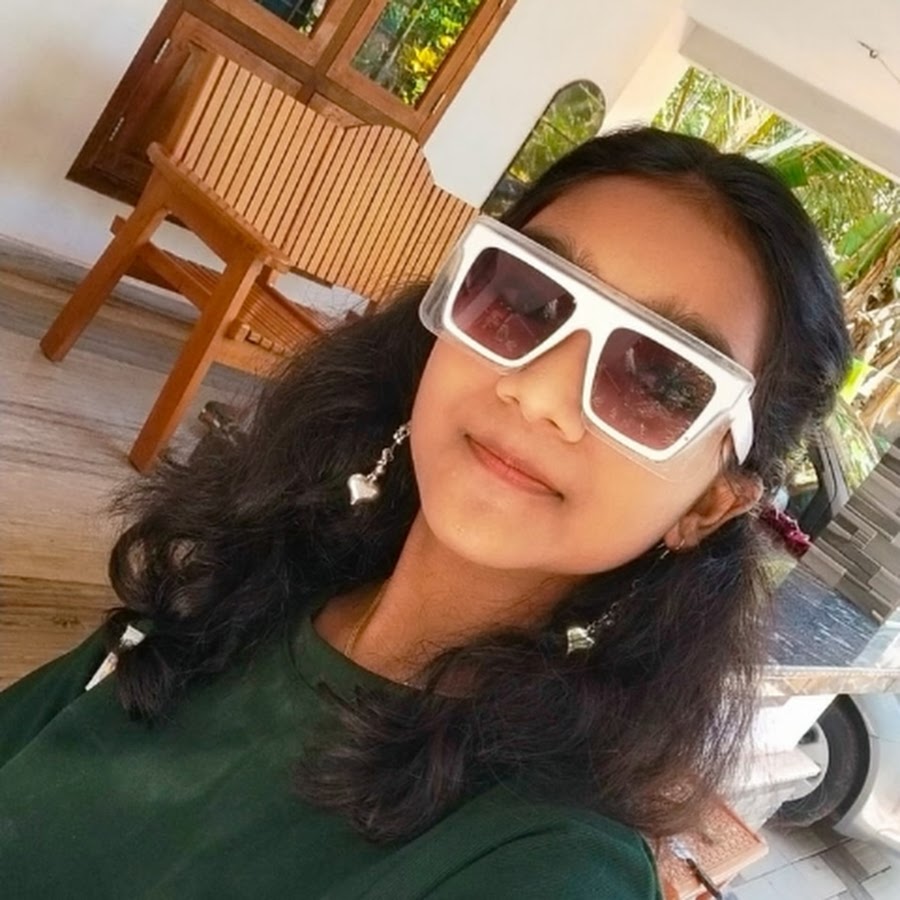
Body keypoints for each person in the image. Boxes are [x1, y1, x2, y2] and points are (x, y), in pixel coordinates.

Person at [0, 126, 850, 898]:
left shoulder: (545, 865)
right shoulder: (232, 585)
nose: (538, 392)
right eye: (527, 299)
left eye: (662, 380)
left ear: (708, 502)